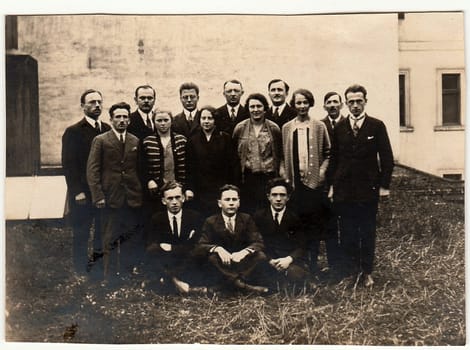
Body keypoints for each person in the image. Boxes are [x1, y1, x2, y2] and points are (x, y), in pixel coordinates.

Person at [327, 84, 394, 287]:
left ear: (365, 101)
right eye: (351, 102)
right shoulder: (338, 128)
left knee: (366, 231)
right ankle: (350, 272)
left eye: (359, 101)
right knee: (346, 231)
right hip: (344, 190)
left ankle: (366, 272)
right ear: (345, 104)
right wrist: (331, 186)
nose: (355, 106)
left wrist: (383, 186)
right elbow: (334, 159)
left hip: (368, 190)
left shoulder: (376, 126)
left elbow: (387, 158)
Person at [86, 102, 143, 279]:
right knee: (109, 239)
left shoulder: (135, 140)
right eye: (118, 116)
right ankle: (109, 276)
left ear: (129, 119)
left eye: (125, 116)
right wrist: (98, 196)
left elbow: (138, 169)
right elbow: (92, 170)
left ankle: (126, 273)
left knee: (129, 238)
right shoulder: (101, 140)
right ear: (110, 119)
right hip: (110, 198)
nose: (122, 120)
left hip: (131, 198)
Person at [281, 88, 330, 274]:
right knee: (296, 223)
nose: (302, 106)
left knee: (313, 224)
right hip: (294, 185)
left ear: (310, 103)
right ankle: (298, 262)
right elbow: (282, 158)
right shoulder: (287, 128)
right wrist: (285, 177)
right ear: (293, 105)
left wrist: (322, 172)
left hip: (313, 185)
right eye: (298, 103)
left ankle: (313, 263)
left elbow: (328, 153)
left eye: (305, 102)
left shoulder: (319, 126)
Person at [62, 89, 111, 275]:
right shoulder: (73, 132)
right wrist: (77, 191)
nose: (97, 105)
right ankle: (81, 269)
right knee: (82, 231)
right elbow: (69, 164)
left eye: (99, 101)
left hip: (101, 192)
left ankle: (97, 267)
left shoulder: (107, 128)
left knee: (101, 230)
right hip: (82, 192)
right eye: (92, 102)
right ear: (83, 106)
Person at [196, 184, 268, 293]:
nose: (231, 203)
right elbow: (201, 245)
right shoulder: (211, 221)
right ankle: (242, 286)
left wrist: (243, 252)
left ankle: (229, 284)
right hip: (223, 265)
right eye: (227, 199)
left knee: (261, 256)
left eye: (234, 199)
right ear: (220, 203)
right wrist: (218, 249)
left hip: (242, 264)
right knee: (212, 258)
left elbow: (258, 242)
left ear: (239, 203)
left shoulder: (246, 219)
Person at [146, 181, 205, 294]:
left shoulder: (194, 217)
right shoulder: (157, 219)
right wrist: (180, 247)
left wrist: (172, 248)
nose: (174, 202)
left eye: (177, 197)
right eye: (170, 198)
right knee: (152, 251)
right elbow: (151, 245)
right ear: (163, 201)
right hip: (167, 262)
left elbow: (197, 245)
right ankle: (175, 281)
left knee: (198, 253)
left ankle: (167, 281)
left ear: (183, 198)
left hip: (186, 261)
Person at [253, 178, 310, 289]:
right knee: (257, 272)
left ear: (288, 198)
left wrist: (288, 259)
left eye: (282, 195)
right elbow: (256, 242)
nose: (278, 199)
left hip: (289, 261)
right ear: (268, 196)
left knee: (295, 274)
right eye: (274, 195)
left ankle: (283, 283)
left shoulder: (296, 217)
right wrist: (269, 260)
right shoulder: (259, 216)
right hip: (268, 260)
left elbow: (302, 246)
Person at [232, 93, 282, 213]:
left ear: (265, 108)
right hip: (247, 178)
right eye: (252, 107)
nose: (255, 110)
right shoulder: (240, 128)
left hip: (268, 178)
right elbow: (234, 153)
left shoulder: (273, 128)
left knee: (266, 211)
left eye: (259, 106)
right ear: (248, 109)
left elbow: (279, 153)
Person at [187, 106, 239, 217]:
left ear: (215, 120)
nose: (206, 121)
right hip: (200, 189)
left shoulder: (225, 138)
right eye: (203, 118)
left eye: (210, 118)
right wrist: (189, 188)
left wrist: (231, 187)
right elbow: (189, 167)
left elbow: (233, 165)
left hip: (220, 188)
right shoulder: (193, 140)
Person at [142, 110, 193, 211]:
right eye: (159, 120)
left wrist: (188, 188)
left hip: (179, 189)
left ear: (171, 121)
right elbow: (142, 166)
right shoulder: (147, 142)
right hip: (157, 190)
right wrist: (149, 180)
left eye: (166, 120)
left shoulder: (182, 140)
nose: (163, 123)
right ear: (154, 122)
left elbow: (191, 167)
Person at [320, 91, 346, 272]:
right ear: (324, 106)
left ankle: (346, 264)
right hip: (324, 184)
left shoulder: (348, 125)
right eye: (329, 102)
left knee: (345, 226)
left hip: (345, 184)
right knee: (329, 226)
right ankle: (333, 265)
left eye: (335, 102)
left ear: (341, 105)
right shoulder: (320, 126)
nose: (332, 105)